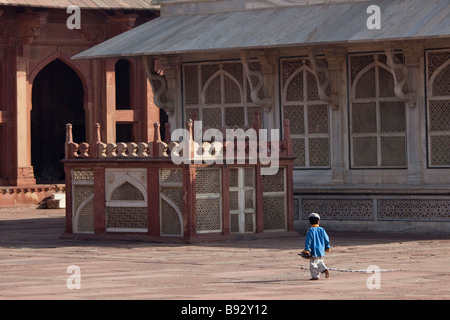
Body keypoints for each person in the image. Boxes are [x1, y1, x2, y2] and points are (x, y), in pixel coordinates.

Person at [301, 212, 331, 280]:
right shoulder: (322, 229)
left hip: (314, 250)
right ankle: (324, 269)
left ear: (309, 221)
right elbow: (326, 239)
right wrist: (327, 247)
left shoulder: (310, 230)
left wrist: (307, 249)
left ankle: (315, 276)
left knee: (313, 264)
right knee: (320, 261)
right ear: (318, 221)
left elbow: (308, 241)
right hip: (321, 250)